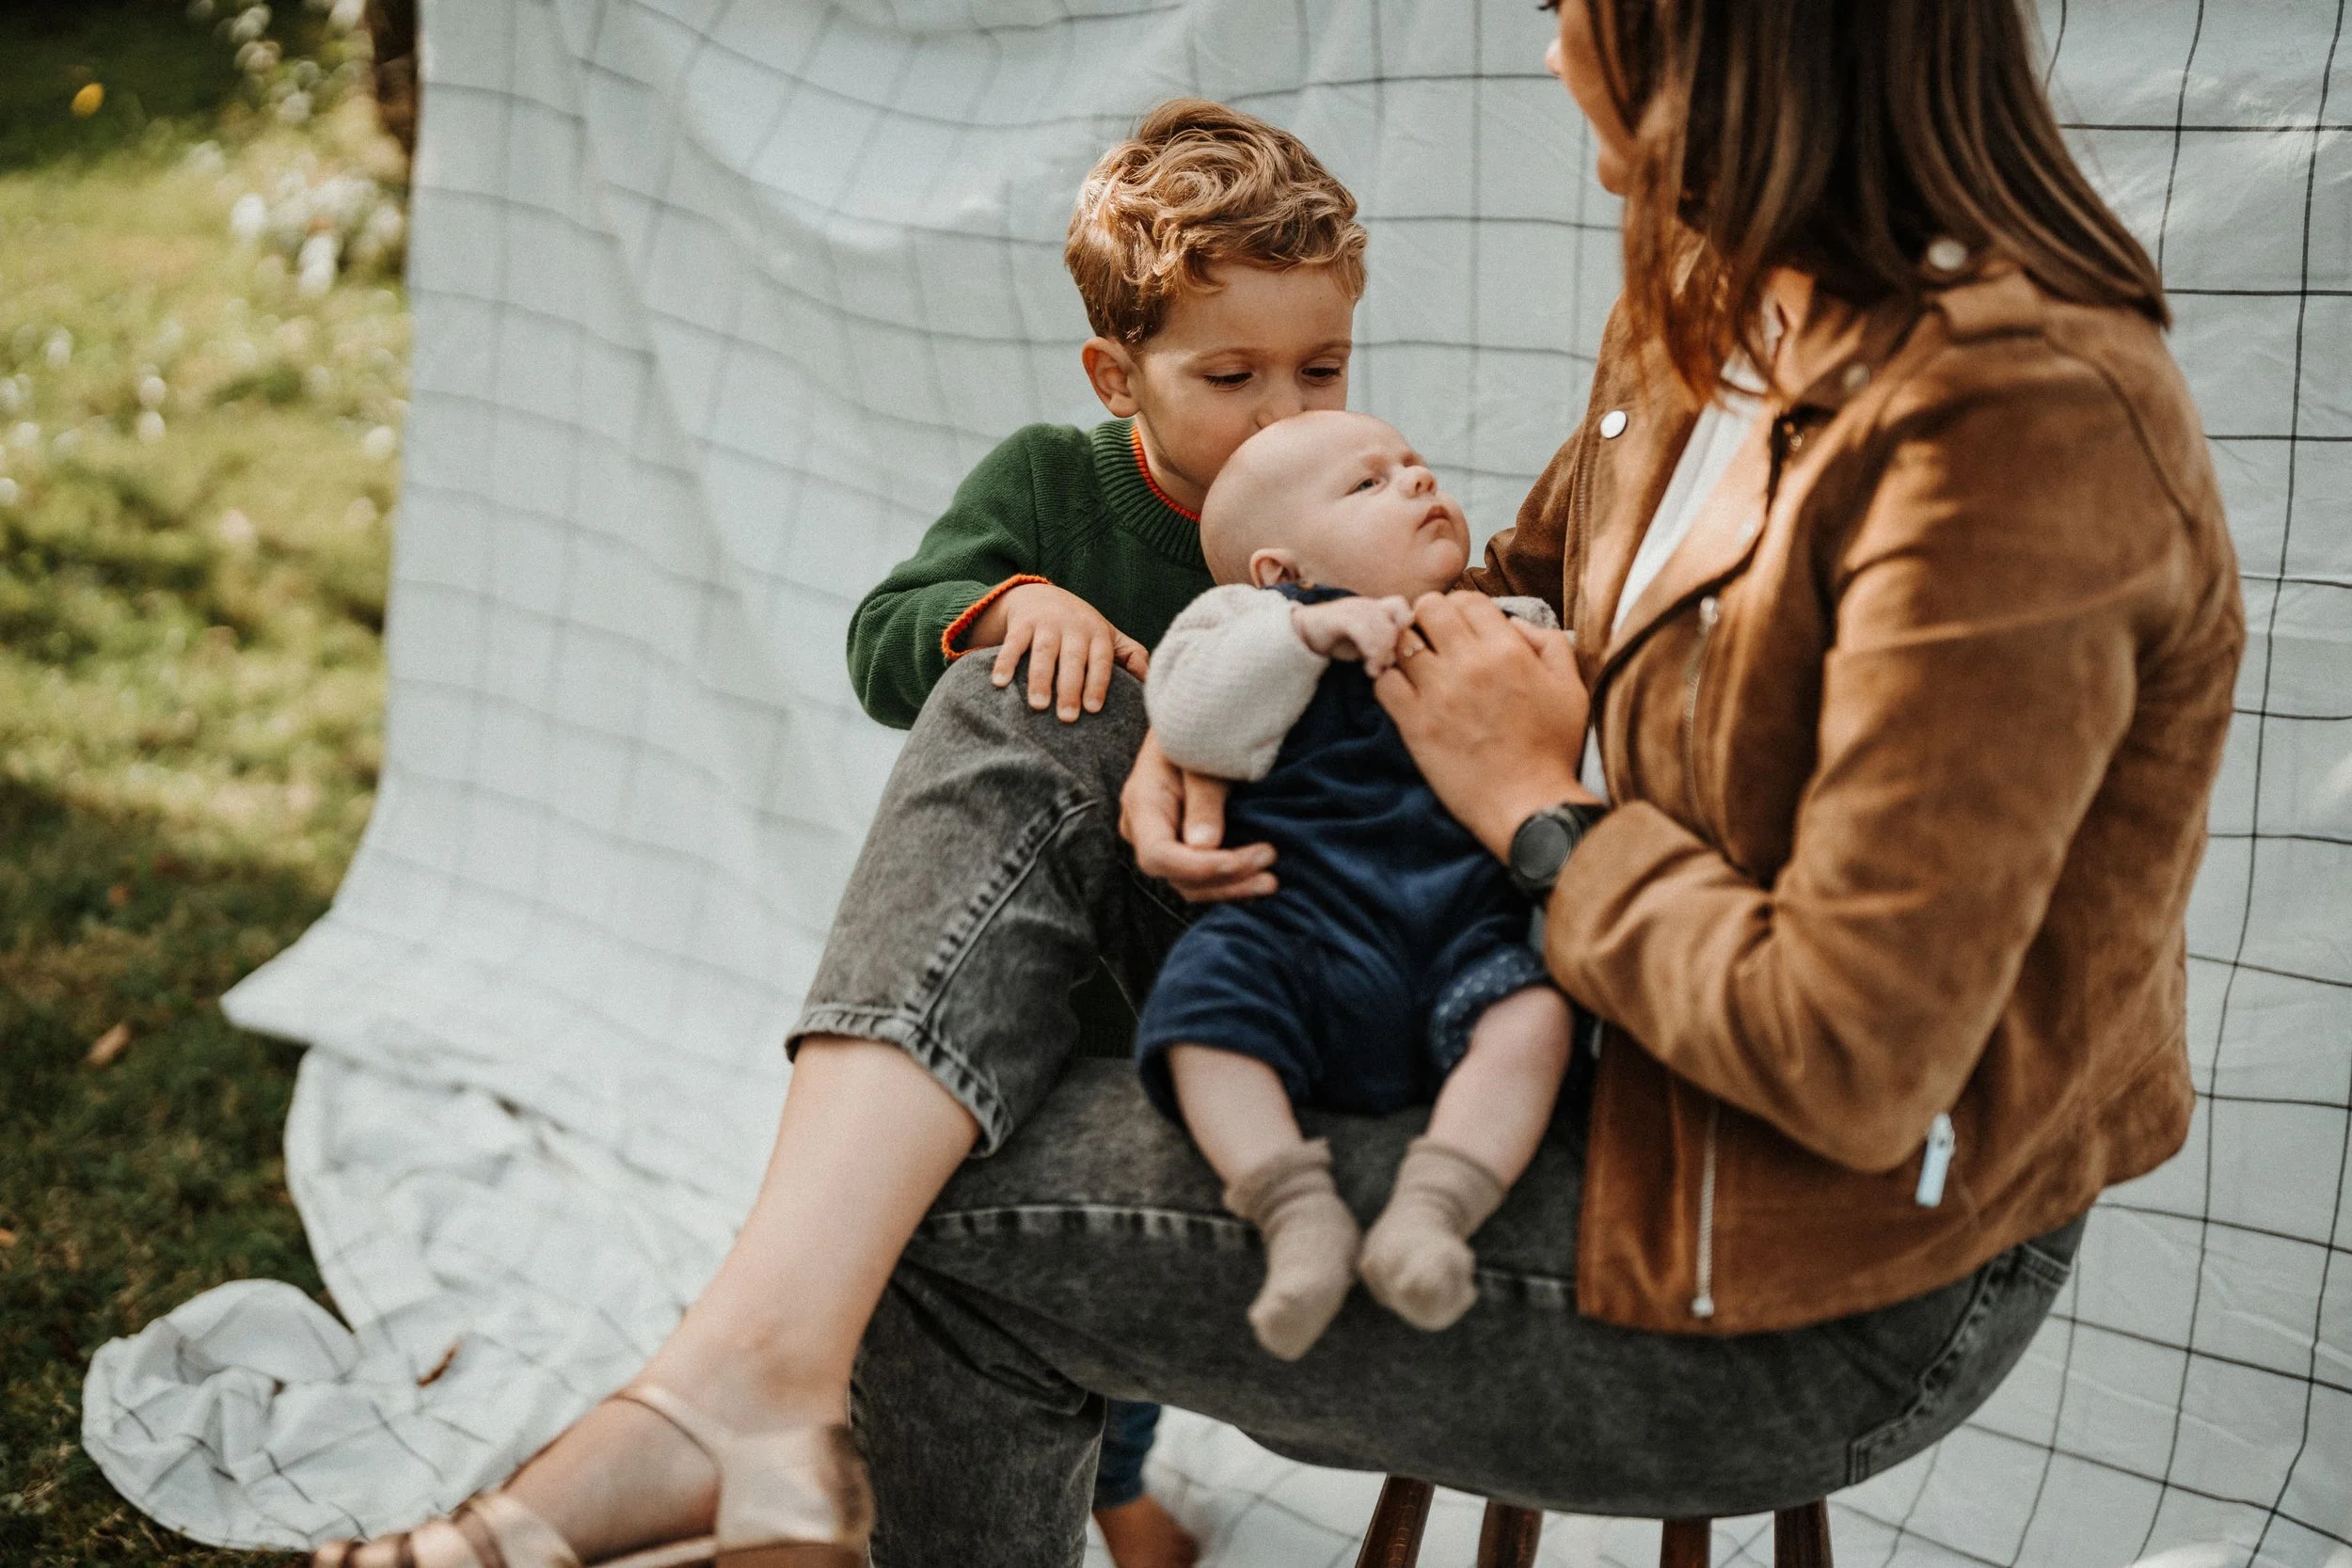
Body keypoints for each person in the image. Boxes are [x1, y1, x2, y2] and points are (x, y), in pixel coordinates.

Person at [313, 2, 2244, 1565]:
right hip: (1558, 1030)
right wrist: (1213, 692)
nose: (1551, 41)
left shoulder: (2017, 420)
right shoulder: (1718, 320)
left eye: (1581, 4)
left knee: (934, 1239)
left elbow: (1855, 1048)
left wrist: (1532, 818)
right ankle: (745, 1363)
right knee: (1035, 689)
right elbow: (1488, 608)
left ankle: (740, 1374)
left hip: (1801, 1263)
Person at [1137, 410, 1568, 1359]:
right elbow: (1190, 719)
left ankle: (1434, 1208)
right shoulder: (1242, 624)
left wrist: (1574, 678)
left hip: (1463, 939)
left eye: (1415, 466)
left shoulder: (1511, 625)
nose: (1417, 483)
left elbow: (1581, 749)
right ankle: (1294, 1211)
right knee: (1198, 1011)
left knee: (1534, 1019)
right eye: (1368, 484)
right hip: (1292, 931)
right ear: (1278, 569)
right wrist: (1304, 635)